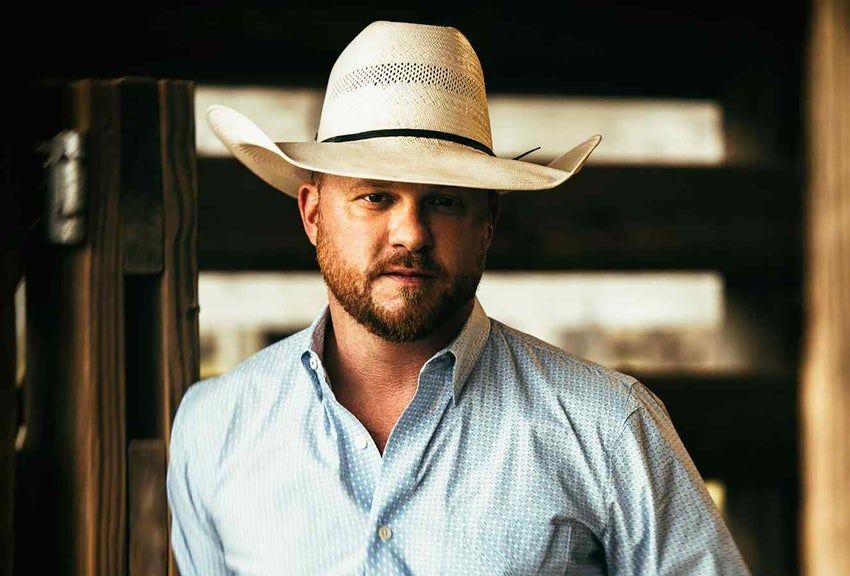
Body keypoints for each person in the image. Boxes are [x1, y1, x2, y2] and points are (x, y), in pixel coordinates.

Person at [167, 20, 750, 576]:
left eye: (444, 200)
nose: (411, 234)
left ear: (487, 223)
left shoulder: (608, 426)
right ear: (314, 214)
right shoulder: (215, 426)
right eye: (375, 197)